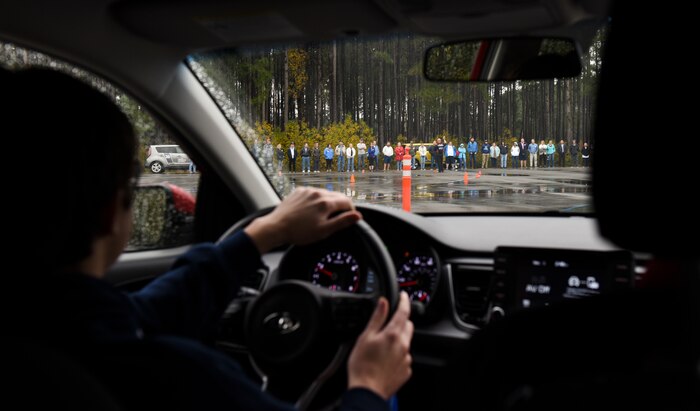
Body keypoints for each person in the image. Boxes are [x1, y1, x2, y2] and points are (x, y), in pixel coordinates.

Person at [5, 68, 413, 411]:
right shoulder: (183, 377)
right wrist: (370, 388)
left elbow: (142, 312)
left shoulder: (55, 327)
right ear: (112, 210)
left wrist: (264, 232)